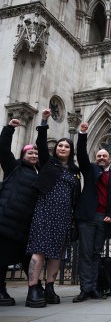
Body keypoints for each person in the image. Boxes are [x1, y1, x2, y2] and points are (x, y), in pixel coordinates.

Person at [26, 109, 81, 308]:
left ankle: (50, 286)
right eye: (60, 145)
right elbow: (41, 144)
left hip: (64, 215)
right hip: (44, 210)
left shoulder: (75, 172)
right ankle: (33, 287)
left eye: (67, 146)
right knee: (39, 250)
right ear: (55, 149)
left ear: (71, 150)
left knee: (57, 253)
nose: (63, 148)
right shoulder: (48, 163)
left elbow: (76, 196)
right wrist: (44, 121)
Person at [72, 122, 111, 303]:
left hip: (103, 218)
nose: (101, 158)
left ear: (110, 159)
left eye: (104, 156)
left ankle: (93, 288)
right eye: (99, 155)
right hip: (87, 217)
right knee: (85, 253)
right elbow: (82, 155)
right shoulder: (90, 169)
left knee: (95, 254)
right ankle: (85, 289)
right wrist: (82, 134)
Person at [0, 119, 39, 306]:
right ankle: (1, 290)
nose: (34, 154)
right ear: (23, 155)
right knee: (2, 258)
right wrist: (8, 130)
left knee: (28, 258)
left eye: (36, 153)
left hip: (25, 225)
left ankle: (35, 288)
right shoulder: (14, 167)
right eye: (30, 152)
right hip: (6, 221)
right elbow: (3, 150)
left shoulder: (39, 175)